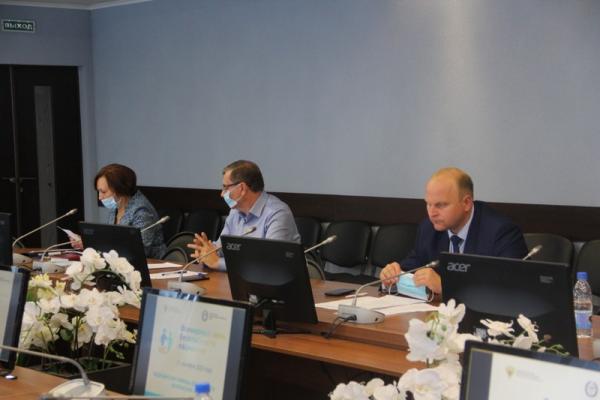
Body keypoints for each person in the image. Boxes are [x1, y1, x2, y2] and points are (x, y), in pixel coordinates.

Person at [380, 167, 528, 294]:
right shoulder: (428, 229)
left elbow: (511, 289)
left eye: (440, 205)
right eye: (428, 204)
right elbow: (412, 268)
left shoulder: (500, 232)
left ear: (466, 203)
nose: (432, 213)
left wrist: (446, 286)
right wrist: (393, 277)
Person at [188, 160, 300, 270]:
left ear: (241, 188)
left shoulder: (277, 213)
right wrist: (206, 251)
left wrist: (217, 262)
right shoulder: (235, 212)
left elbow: (271, 263)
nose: (222, 194)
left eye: (226, 187)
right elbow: (222, 248)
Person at [71, 164, 167, 259]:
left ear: (120, 189)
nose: (99, 197)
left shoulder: (141, 211)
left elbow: (140, 251)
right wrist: (87, 242)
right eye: (98, 191)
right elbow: (110, 240)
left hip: (153, 264)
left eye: (103, 192)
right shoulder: (116, 205)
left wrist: (92, 246)